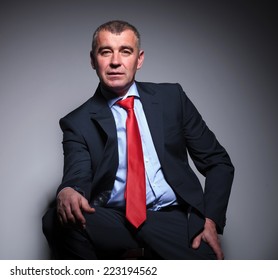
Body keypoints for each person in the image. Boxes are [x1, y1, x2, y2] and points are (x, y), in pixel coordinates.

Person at [42, 20, 234, 260]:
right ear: (93, 60)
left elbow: (218, 161)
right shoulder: (77, 122)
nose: (115, 61)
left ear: (139, 59)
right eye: (105, 52)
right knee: (56, 220)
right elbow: (77, 175)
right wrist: (69, 191)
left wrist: (211, 220)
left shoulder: (171, 98)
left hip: (173, 218)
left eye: (125, 51)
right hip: (116, 219)